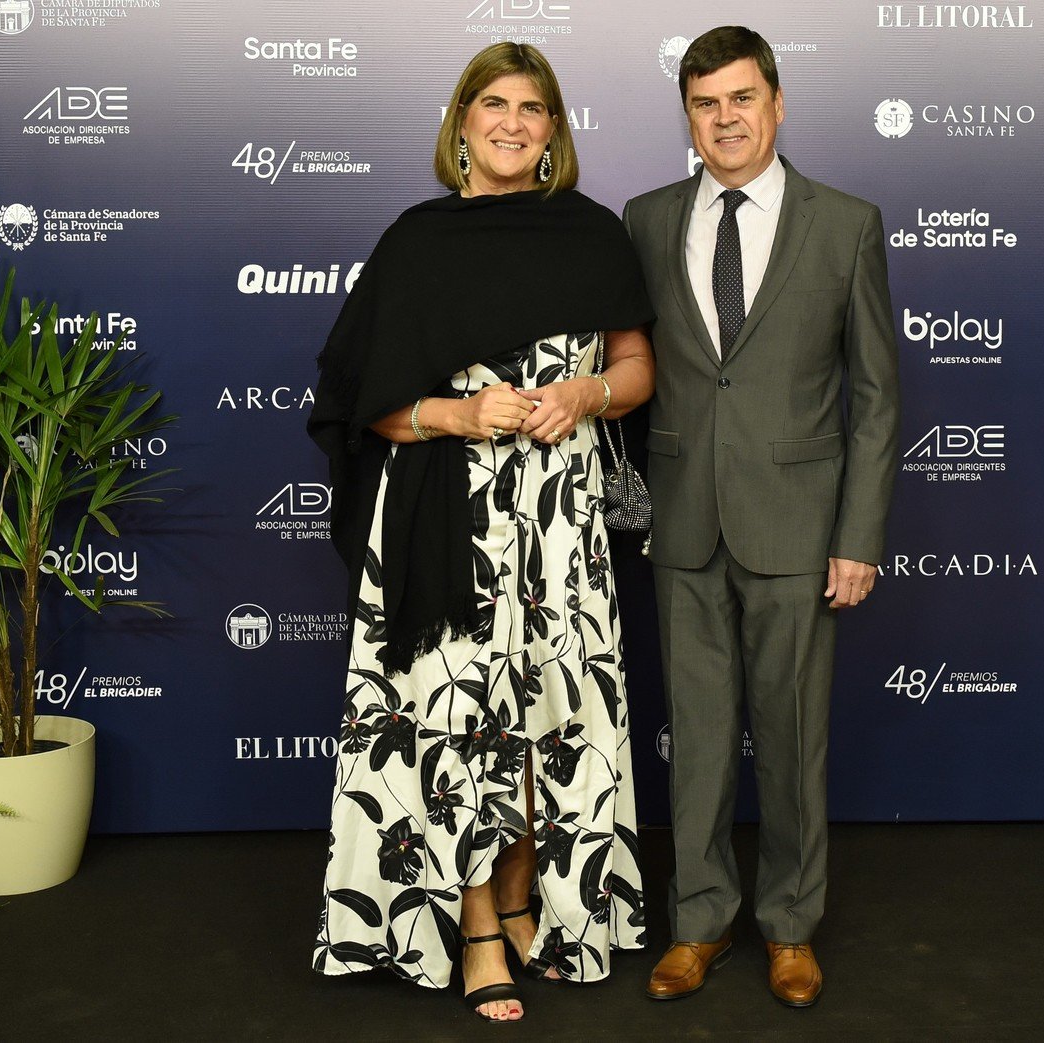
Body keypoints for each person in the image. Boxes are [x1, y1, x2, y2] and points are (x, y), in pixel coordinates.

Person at [308, 42, 655, 1025]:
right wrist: (454, 416)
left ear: (553, 130)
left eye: (532, 108)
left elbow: (636, 366)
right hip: (444, 514)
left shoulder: (592, 234)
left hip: (561, 515)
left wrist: (586, 391)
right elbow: (361, 406)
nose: (511, 122)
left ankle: (529, 898)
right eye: (493, 103)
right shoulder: (415, 241)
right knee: (464, 722)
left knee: (549, 718)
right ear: (460, 121)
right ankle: (473, 929)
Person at [623, 26, 900, 1008]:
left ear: (775, 104)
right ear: (687, 116)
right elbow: (637, 369)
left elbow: (873, 394)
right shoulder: (646, 219)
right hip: (683, 521)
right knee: (696, 735)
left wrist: (858, 533)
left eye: (741, 98)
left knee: (789, 737)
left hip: (796, 522)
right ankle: (697, 920)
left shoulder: (845, 222)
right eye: (705, 103)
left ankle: (789, 925)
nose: (724, 118)